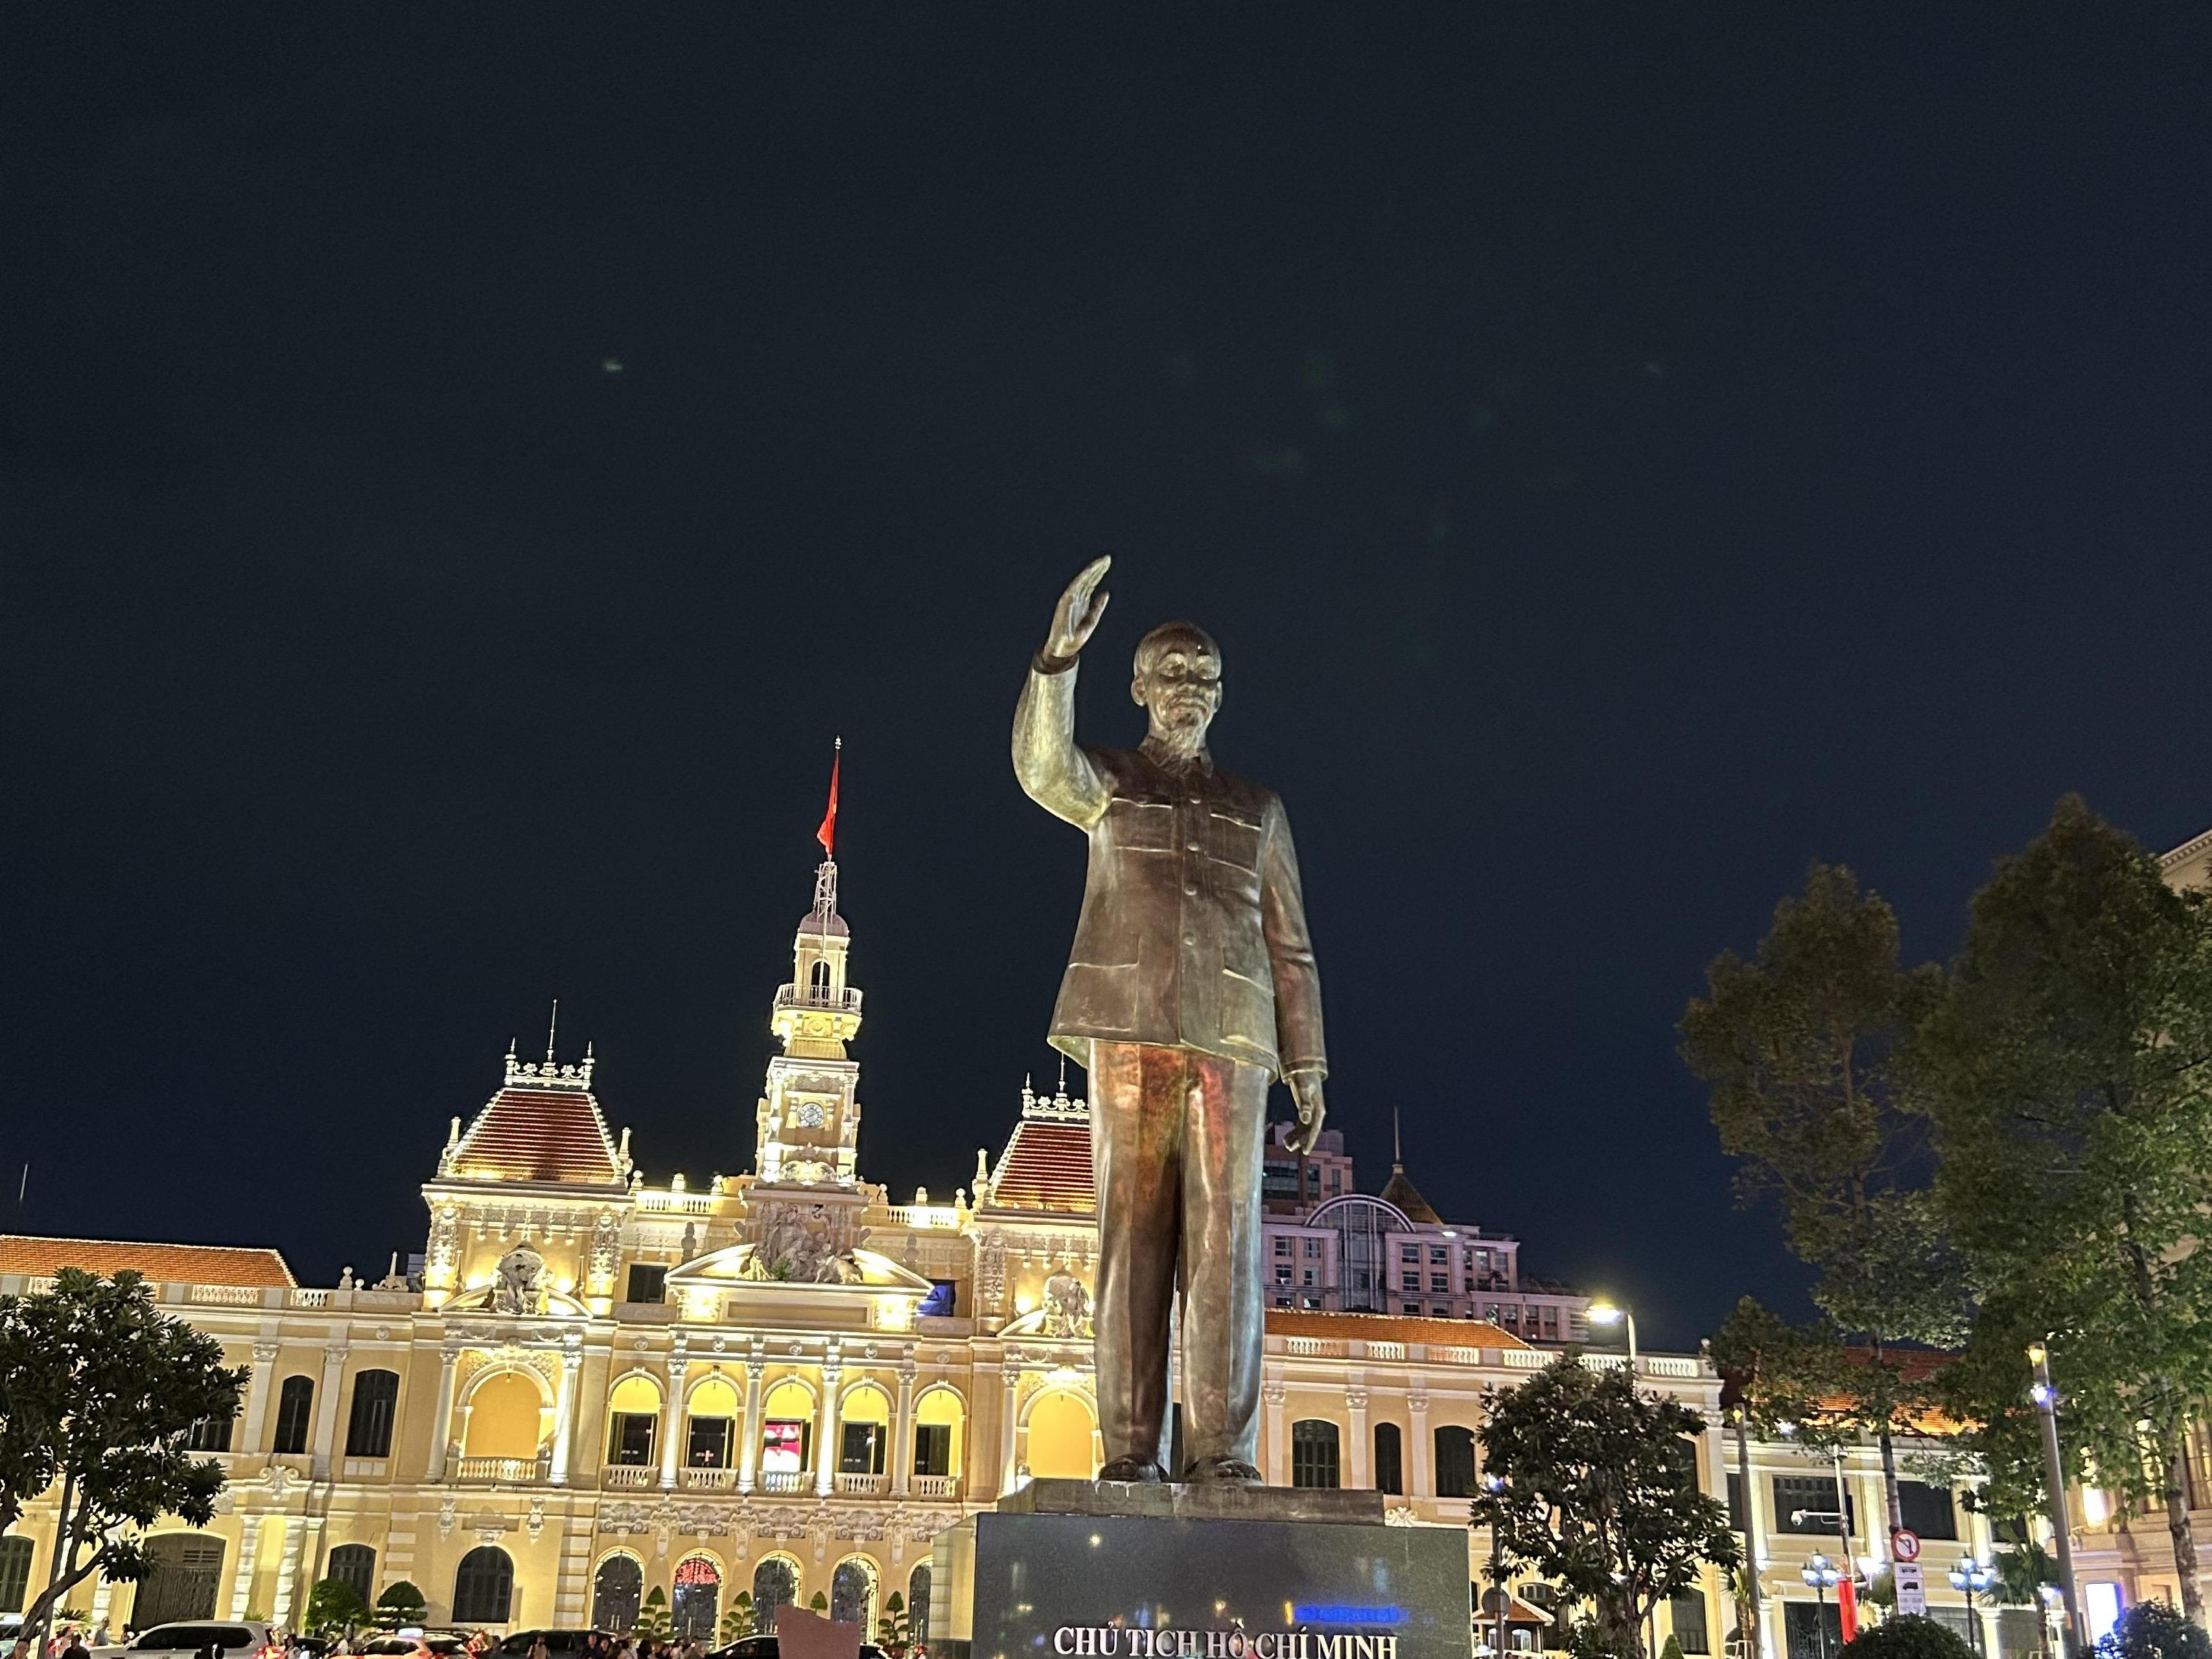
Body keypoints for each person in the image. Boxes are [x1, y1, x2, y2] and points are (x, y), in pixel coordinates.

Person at [1013, 557, 1329, 1483]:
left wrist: (1306, 1061)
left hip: (1234, 1040)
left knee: (1227, 1248)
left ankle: (1222, 1452)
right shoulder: (1106, 780)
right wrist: (1053, 666)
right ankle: (1128, 1451)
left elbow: (1291, 945)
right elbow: (1039, 767)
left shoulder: (1256, 808)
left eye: (1202, 678)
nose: (1185, 691)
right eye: (1170, 675)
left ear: (1220, 695)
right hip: (1126, 1028)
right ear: (1140, 688)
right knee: (1132, 1238)